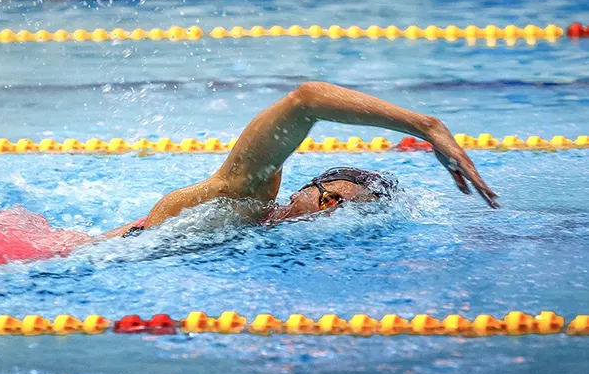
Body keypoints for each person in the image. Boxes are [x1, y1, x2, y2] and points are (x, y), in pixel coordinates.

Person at [103, 81, 498, 238]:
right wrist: (426, 127)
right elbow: (306, 100)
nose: (329, 214)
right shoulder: (248, 197)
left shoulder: (259, 231)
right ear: (313, 191)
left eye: (344, 214)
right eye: (332, 201)